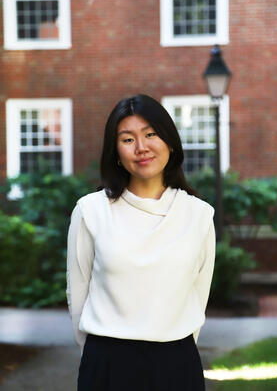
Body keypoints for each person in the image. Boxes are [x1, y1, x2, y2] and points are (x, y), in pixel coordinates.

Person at [66, 94, 216, 391]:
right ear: (116, 151)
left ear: (170, 141)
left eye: (151, 134)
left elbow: (198, 294)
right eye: (127, 139)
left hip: (177, 363)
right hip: (107, 363)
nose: (142, 147)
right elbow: (78, 291)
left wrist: (171, 344)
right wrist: (97, 358)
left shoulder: (198, 214)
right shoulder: (90, 211)